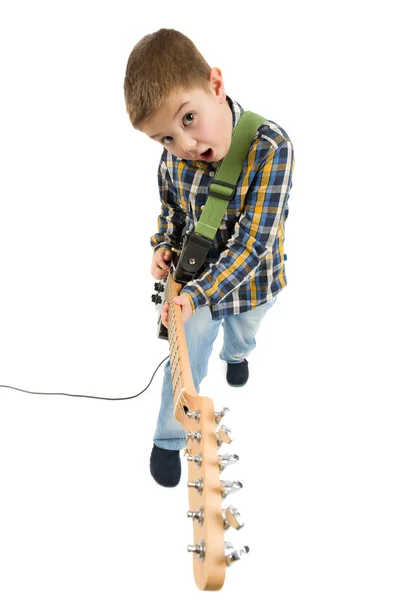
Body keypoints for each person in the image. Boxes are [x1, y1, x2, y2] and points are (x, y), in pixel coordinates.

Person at [124, 28, 294, 487]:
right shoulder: (175, 157)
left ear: (216, 85)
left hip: (253, 282)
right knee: (184, 365)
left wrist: (199, 293)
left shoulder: (270, 147)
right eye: (164, 138)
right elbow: (172, 209)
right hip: (193, 289)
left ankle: (238, 355)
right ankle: (168, 438)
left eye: (189, 118)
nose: (184, 144)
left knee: (244, 331)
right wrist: (162, 245)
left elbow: (253, 245)